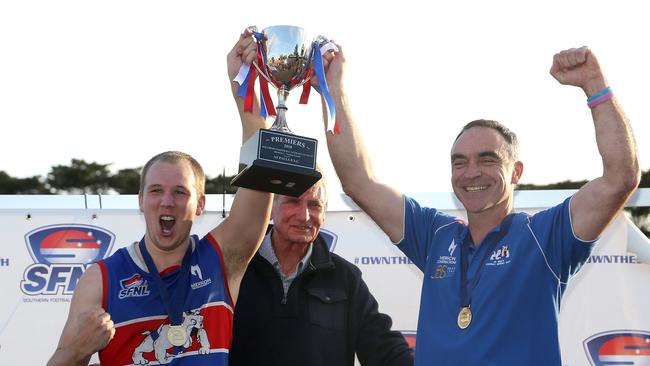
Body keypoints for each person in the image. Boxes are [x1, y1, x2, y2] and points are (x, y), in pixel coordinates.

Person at [321, 44, 640, 365]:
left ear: (516, 171)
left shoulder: (545, 237)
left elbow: (620, 178)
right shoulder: (435, 236)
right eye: (459, 162)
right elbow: (358, 181)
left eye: (487, 160)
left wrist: (595, 85)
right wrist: (333, 87)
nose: (471, 172)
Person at [47, 28, 272, 366]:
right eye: (156, 191)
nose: (167, 201)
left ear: (200, 205)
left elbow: (259, 178)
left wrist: (245, 89)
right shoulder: (101, 279)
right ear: (141, 201)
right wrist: (75, 351)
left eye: (181, 192)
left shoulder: (221, 258)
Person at [229, 176, 414, 366]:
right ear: (270, 208)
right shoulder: (235, 269)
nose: (304, 216)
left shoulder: (346, 278)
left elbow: (384, 350)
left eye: (315, 205)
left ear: (324, 215)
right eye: (293, 202)